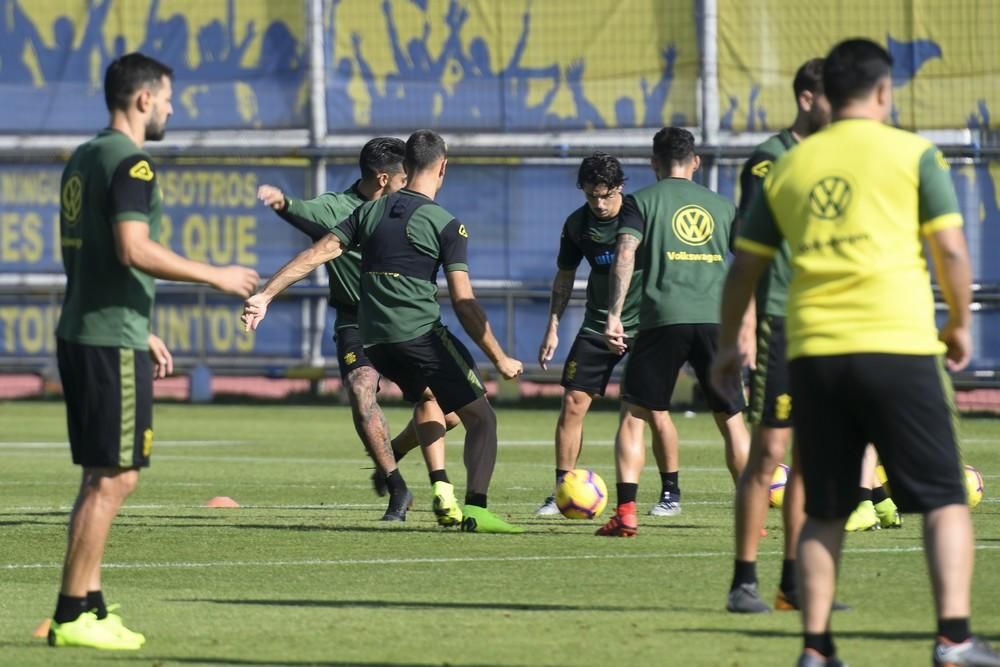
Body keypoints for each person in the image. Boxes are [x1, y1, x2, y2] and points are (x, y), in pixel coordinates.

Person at [712, 38, 1000, 667]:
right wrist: (958, 324)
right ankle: (953, 637)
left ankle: (816, 649)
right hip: (898, 344)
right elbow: (951, 251)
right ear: (882, 91)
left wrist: (727, 348)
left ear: (827, 96)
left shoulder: (789, 166)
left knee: (823, 509)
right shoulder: (914, 154)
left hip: (814, 349)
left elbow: (743, 269)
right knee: (946, 499)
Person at [49, 52, 259, 650]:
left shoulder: (84, 156)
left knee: (106, 476)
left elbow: (85, 254)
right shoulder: (130, 162)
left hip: (96, 327)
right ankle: (72, 614)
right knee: (114, 479)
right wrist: (214, 273)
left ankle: (88, 605)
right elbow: (131, 248)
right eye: (168, 96)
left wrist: (139, 326)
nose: (171, 106)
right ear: (143, 99)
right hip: (105, 336)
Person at [243, 129, 524, 534]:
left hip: (375, 339)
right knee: (483, 419)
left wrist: (265, 296)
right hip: (418, 335)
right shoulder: (446, 224)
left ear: (406, 169)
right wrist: (499, 357)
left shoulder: (367, 212)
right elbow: (464, 302)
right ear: (443, 167)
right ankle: (476, 508)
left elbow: (317, 252)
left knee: (438, 407)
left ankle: (422, 474)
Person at [257, 137, 457, 524]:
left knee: (449, 411)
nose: (412, 184)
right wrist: (282, 204)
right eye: (404, 178)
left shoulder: (412, 209)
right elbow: (304, 212)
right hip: (357, 321)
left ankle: (393, 449)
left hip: (406, 320)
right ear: (383, 179)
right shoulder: (340, 207)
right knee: (361, 388)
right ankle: (397, 487)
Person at [598, 127, 751, 537]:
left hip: (663, 317)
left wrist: (615, 313)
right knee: (732, 418)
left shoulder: (639, 203)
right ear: (696, 161)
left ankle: (626, 512)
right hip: (717, 320)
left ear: (653, 162)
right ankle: (751, 518)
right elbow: (749, 264)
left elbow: (626, 253)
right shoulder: (722, 207)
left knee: (633, 414)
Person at [726, 57, 839, 614]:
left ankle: (794, 584)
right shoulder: (770, 160)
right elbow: (747, 249)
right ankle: (743, 580)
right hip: (779, 320)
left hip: (826, 322)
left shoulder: (834, 158)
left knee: (812, 456)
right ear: (805, 99)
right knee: (769, 450)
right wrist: (744, 323)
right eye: (831, 98)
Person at [534, 153, 645, 515]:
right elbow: (565, 276)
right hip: (598, 324)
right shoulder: (577, 224)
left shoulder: (640, 214)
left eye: (606, 195)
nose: (599, 204)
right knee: (572, 403)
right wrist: (552, 324)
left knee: (643, 410)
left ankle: (665, 493)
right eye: (591, 196)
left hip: (644, 325)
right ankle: (562, 489)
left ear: (620, 188)